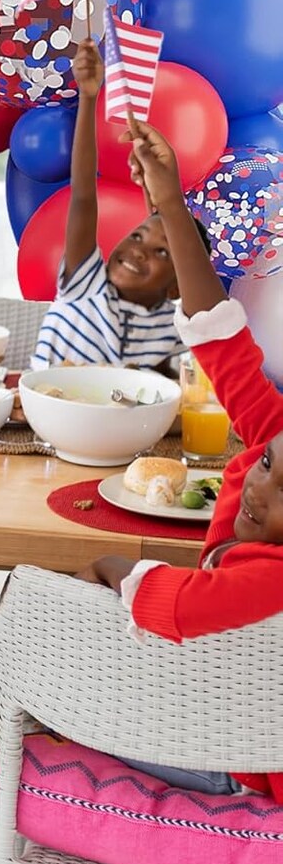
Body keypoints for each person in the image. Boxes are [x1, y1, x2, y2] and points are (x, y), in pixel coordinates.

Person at [77, 122, 283, 805]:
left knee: (62, 708)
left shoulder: (273, 579)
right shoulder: (275, 433)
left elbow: (171, 604)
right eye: (266, 466)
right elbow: (218, 335)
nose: (259, 489)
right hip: (223, 705)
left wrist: (112, 567)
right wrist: (168, 199)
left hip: (243, 764)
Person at [30, 39, 185, 370]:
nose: (139, 251)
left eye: (162, 253)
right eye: (137, 236)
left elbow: (165, 390)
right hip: (44, 403)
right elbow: (84, 195)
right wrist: (89, 97)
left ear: (175, 287)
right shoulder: (87, 284)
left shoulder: (168, 327)